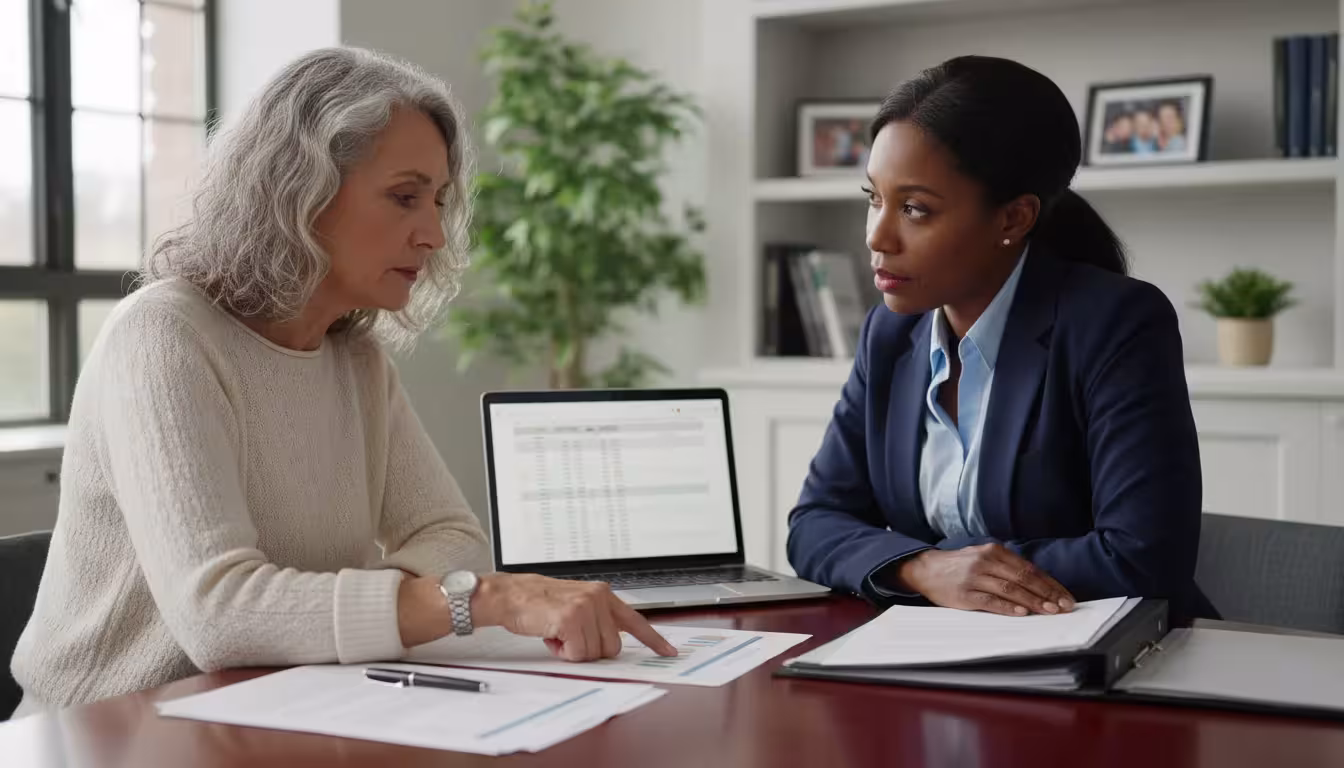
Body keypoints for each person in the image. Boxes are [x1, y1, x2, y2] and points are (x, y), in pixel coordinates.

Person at [9, 47, 676, 717]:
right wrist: (473, 599)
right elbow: (219, 615)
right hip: (106, 731)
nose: (434, 236)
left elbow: (454, 538)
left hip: (276, 707)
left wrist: (323, 613)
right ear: (300, 187)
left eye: (439, 202)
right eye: (405, 196)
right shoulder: (161, 336)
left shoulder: (354, 359)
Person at [786, 56, 1215, 626]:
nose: (877, 236)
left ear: (1013, 217)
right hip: (941, 654)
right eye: (874, 198)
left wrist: (969, 573)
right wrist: (921, 569)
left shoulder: (1116, 323)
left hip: (1116, 657)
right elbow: (814, 523)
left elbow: (1144, 556)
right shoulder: (889, 333)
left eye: (914, 209)